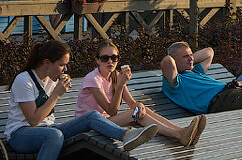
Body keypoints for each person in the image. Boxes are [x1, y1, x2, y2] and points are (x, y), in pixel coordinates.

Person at [6, 41, 158, 160]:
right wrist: (56, 94)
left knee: (91, 116)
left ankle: (126, 136)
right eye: (61, 65)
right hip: (21, 134)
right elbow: (33, 120)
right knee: (54, 135)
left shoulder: (49, 79)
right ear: (47, 63)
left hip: (49, 130)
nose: (64, 69)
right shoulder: (24, 80)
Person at [75, 38, 205, 146]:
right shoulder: (92, 79)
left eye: (114, 58)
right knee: (136, 114)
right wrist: (120, 85)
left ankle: (182, 131)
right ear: (97, 60)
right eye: (105, 58)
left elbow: (131, 103)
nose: (110, 61)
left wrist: (139, 105)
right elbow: (112, 110)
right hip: (90, 125)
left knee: (143, 111)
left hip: (108, 121)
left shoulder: (115, 75)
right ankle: (180, 135)